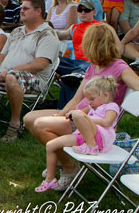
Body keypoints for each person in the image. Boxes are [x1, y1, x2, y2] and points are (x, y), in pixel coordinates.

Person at [24, 23, 139, 191]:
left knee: (40, 124)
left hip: (91, 123)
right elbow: (77, 98)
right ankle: (63, 160)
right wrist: (61, 114)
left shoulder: (119, 67)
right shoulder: (94, 66)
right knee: (29, 118)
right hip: (77, 114)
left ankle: (69, 168)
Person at [0, 0, 60, 143]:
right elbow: (1, 56)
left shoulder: (47, 34)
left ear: (38, 11)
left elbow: (40, 64)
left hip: (34, 79)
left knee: (12, 77)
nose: (21, 11)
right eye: (21, 8)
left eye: (26, 8)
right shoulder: (16, 32)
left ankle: (15, 123)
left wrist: (10, 70)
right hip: (4, 74)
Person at [35, 76, 120, 192]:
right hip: (83, 135)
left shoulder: (112, 106)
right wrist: (70, 113)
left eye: (92, 99)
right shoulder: (91, 106)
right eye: (88, 100)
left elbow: (107, 122)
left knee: (78, 114)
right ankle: (50, 180)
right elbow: (78, 114)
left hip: (100, 137)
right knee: (51, 145)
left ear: (105, 95)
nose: (89, 102)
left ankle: (91, 147)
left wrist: (84, 119)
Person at [54, 0, 101, 101]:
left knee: (73, 75)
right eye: (80, 10)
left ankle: (76, 74)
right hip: (75, 64)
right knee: (53, 58)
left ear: (94, 11)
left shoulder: (99, 27)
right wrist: (45, 30)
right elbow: (59, 35)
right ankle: (75, 74)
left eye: (86, 10)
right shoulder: (74, 28)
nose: (83, 13)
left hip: (91, 63)